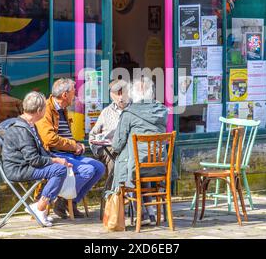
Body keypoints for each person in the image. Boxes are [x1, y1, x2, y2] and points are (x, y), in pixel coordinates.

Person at [36, 78, 105, 219]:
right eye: (74, 92)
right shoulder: (46, 109)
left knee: (99, 168)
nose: (76, 95)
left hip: (69, 153)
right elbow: (49, 139)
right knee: (88, 170)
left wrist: (76, 145)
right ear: (65, 95)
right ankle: (62, 200)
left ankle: (70, 202)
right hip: (54, 155)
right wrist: (73, 145)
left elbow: (64, 134)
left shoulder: (63, 109)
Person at [1, 91, 73, 227]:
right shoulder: (22, 129)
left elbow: (41, 152)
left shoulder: (29, 125)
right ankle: (40, 207)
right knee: (59, 170)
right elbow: (34, 160)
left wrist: (55, 158)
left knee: (60, 167)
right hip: (19, 169)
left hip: (25, 165)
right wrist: (56, 161)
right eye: (44, 109)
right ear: (39, 110)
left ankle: (40, 207)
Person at [111, 77, 168, 226]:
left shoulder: (128, 113)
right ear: (151, 92)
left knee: (130, 165)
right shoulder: (162, 111)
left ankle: (141, 214)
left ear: (132, 94)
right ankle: (150, 213)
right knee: (140, 162)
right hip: (160, 166)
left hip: (137, 167)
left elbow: (116, 145)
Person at [89, 79, 130, 193]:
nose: (121, 97)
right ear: (112, 95)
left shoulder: (134, 110)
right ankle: (115, 196)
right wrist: (98, 146)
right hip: (111, 150)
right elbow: (93, 135)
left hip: (131, 151)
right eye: (118, 94)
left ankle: (127, 198)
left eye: (123, 93)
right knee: (114, 158)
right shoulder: (106, 112)